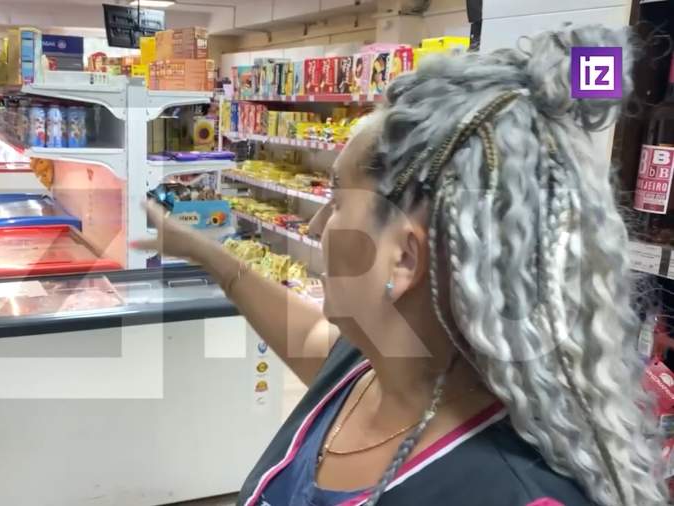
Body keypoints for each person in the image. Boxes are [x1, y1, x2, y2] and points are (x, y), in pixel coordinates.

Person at [134, 25, 668, 506]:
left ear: (404, 257)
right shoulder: (370, 370)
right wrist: (205, 252)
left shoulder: (510, 492)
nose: (316, 227)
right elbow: (308, 337)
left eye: (337, 201)